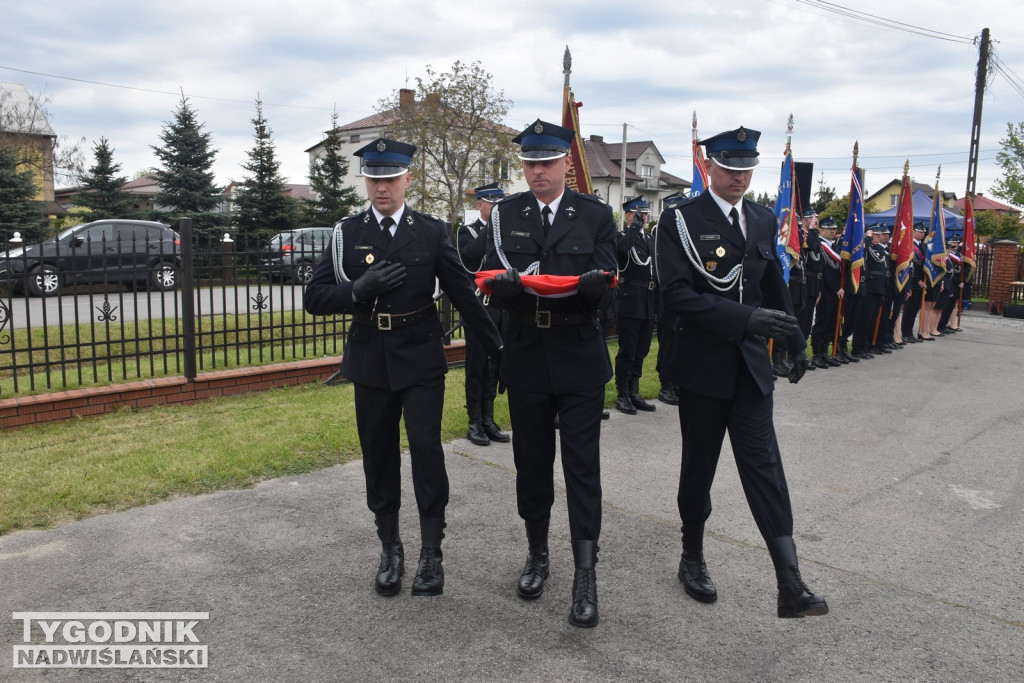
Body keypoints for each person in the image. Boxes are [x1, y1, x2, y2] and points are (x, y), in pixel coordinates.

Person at [304, 138, 503, 599]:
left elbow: (462, 293)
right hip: (371, 357)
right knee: (377, 453)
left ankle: (432, 553)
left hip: (420, 356)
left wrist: (497, 347)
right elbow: (314, 298)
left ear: (408, 179)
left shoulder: (431, 231)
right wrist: (357, 289)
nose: (381, 188)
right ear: (366, 181)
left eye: (390, 178)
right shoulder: (346, 234)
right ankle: (390, 548)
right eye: (374, 179)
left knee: (426, 450)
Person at [655, 125, 828, 619]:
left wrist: (794, 338)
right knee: (699, 469)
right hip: (702, 367)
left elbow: (770, 277)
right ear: (709, 166)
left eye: (746, 168)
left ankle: (790, 582)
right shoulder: (681, 220)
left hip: (750, 370)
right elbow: (676, 296)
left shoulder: (760, 216)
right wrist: (745, 319)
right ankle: (692, 555)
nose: (739, 177)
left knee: (765, 470)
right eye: (730, 167)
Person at [482, 119, 616, 628]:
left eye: (547, 163)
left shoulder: (596, 215)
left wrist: (593, 288)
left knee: (582, 468)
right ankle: (537, 554)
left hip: (577, 351)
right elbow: (487, 270)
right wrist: (503, 289)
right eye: (530, 164)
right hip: (526, 352)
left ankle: (586, 573)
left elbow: (608, 277)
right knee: (531, 464)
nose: (538, 172)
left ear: (566, 164)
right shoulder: (506, 215)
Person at [457, 182, 511, 447]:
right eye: (493, 204)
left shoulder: (506, 233)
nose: (497, 209)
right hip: (478, 308)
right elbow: (470, 257)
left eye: (500, 204)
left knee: (495, 366)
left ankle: (489, 418)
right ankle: (474, 420)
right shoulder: (466, 231)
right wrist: (494, 226)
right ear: (480, 204)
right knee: (476, 366)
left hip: (500, 307)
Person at [613, 195, 658, 415]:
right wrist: (633, 228)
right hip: (631, 299)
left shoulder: (650, 240)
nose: (644, 218)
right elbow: (621, 252)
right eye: (640, 214)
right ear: (629, 215)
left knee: (642, 349)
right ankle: (622, 393)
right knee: (628, 350)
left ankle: (635, 390)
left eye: (646, 213)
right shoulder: (623, 237)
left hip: (648, 300)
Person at [808, 217, 844, 368]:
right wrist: (836, 288)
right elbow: (824, 271)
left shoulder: (835, 247)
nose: (832, 231)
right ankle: (817, 354)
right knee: (822, 323)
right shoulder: (820, 245)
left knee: (832, 323)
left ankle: (825, 352)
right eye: (828, 229)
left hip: (837, 292)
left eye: (834, 229)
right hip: (826, 290)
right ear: (820, 230)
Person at [900, 223, 928, 344]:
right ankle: (905, 333)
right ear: (914, 231)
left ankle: (910, 332)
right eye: (920, 231)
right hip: (912, 282)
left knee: (915, 309)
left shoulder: (923, 246)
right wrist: (917, 280)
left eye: (923, 232)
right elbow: (911, 267)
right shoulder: (910, 246)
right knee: (909, 309)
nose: (922, 233)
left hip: (921, 283)